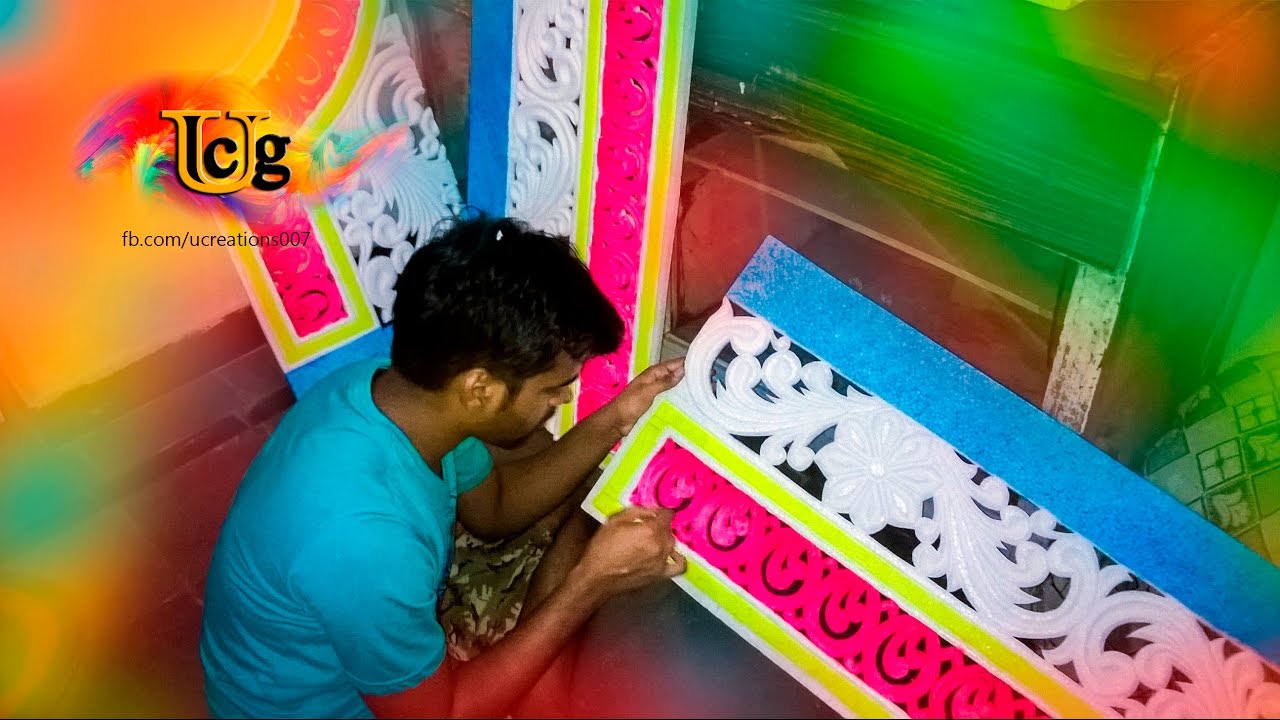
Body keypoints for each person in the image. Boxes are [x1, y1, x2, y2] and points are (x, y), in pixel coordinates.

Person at [199, 215, 687, 718]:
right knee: (604, 577)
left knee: (589, 513)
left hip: (360, 636)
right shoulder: (365, 537)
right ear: (480, 390)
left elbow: (495, 509)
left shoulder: (400, 395)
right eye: (553, 388)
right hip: (331, 709)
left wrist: (617, 417)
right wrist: (591, 582)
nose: (563, 399)